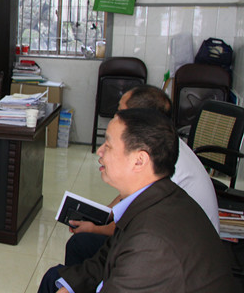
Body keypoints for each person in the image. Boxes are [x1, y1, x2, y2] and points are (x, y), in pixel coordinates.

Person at [0, 108, 239, 293]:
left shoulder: (154, 239)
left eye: (109, 145)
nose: (100, 151)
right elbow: (106, 257)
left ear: (139, 160)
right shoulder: (156, 198)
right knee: (54, 281)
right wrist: (66, 290)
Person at [64, 85, 219, 266]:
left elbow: (136, 224)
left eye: (121, 112)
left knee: (80, 244)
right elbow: (130, 198)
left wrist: (95, 229)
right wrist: (102, 214)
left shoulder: (162, 163)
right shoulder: (162, 144)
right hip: (169, 238)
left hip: (181, 254)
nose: (115, 117)